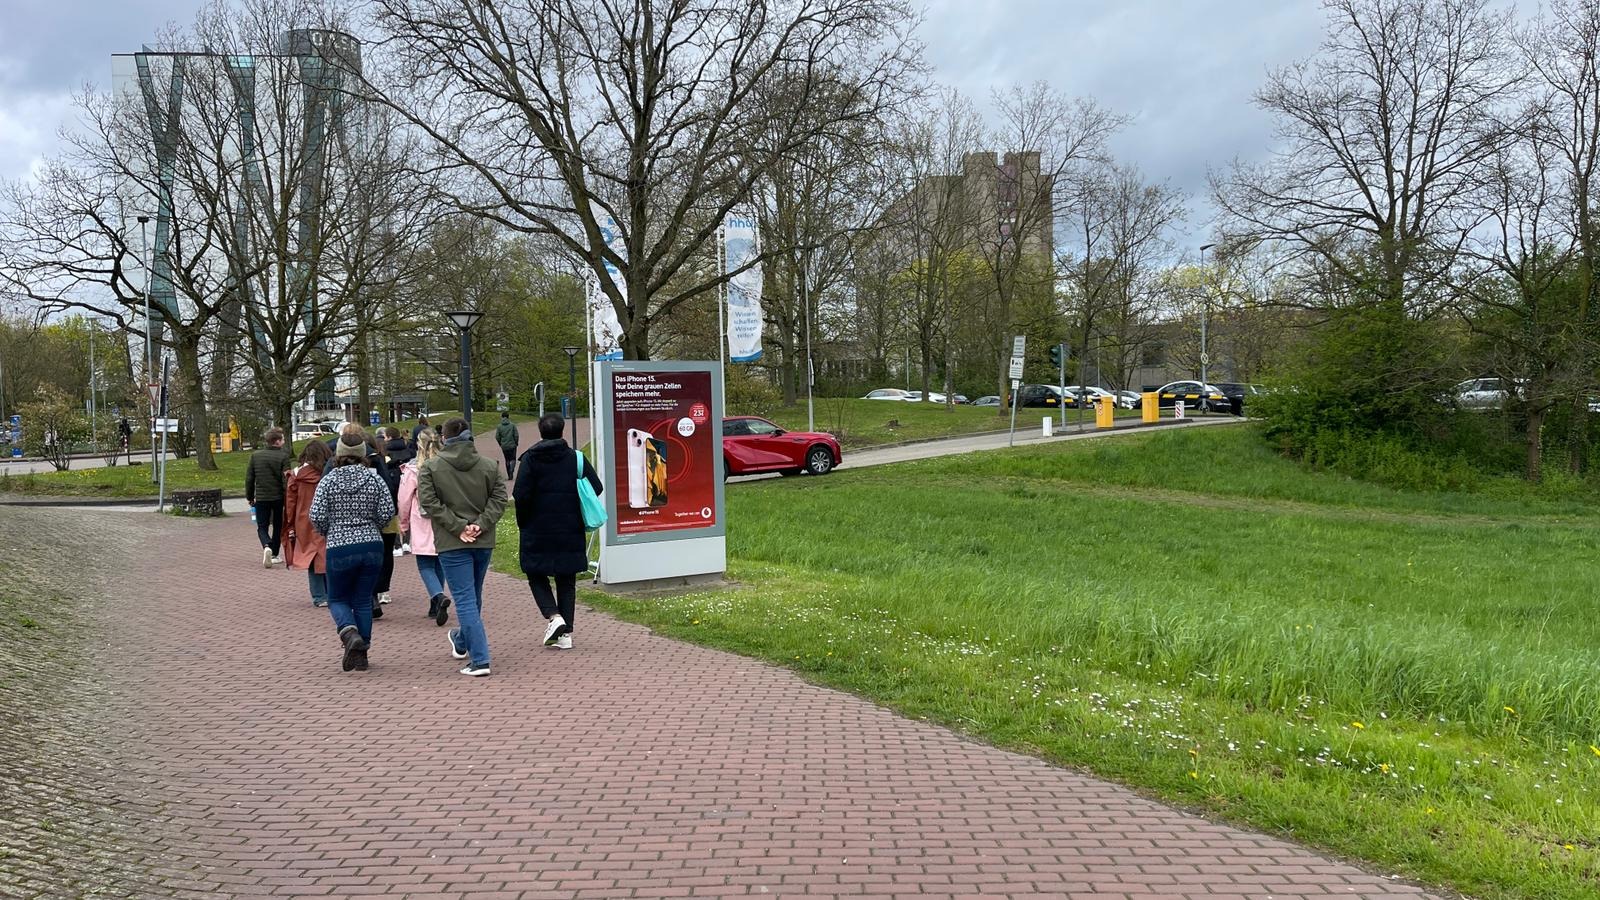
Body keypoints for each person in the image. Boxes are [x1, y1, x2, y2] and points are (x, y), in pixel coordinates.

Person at [418, 417, 506, 677]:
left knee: (466, 599)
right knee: (473, 595)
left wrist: (457, 527)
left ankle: (480, 659)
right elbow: (500, 499)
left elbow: (429, 502)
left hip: (451, 542)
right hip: (482, 539)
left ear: (444, 438)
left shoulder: (431, 468)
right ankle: (461, 640)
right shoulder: (490, 466)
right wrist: (479, 525)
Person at [513, 413, 602, 651]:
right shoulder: (576, 458)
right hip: (569, 526)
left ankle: (554, 616)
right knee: (567, 579)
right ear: (562, 431)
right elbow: (597, 487)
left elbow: (520, 495)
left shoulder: (530, 459)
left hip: (536, 527)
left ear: (541, 431)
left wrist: (523, 522)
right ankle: (566, 634)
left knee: (534, 572)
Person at [309, 433, 396, 672]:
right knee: (363, 599)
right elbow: (388, 510)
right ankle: (363, 650)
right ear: (363, 453)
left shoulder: (328, 481)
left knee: (337, 597)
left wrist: (330, 530)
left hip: (339, 545)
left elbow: (316, 515)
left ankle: (349, 633)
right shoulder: (374, 479)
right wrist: (373, 525)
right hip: (371, 544)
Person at [398, 428, 451, 625]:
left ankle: (437, 596)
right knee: (440, 560)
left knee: (425, 563)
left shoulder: (414, 469)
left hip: (421, 519)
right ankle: (435, 602)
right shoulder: (447, 465)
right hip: (444, 518)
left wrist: (402, 523)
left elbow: (404, 499)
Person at [283, 440, 332, 607]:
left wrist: (289, 524)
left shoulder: (296, 476)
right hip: (328, 517)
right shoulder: (329, 473)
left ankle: (319, 596)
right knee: (328, 553)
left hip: (304, 519)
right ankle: (331, 591)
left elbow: (290, 503)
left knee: (311, 555)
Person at [245, 427, 292, 567]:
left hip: (261, 497)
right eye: (282, 439)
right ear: (277, 442)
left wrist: (250, 496)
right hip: (278, 497)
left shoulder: (255, 456)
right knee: (278, 525)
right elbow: (286, 480)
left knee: (262, 525)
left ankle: (266, 545)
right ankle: (275, 554)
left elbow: (249, 478)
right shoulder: (284, 456)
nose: (284, 441)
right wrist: (288, 497)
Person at [495, 411, 519, 481]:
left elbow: (497, 436)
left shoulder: (499, 426)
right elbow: (516, 435)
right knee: (513, 458)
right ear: (508, 417)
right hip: (512, 445)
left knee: (507, 459)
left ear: (502, 417)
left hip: (504, 446)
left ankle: (509, 474)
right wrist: (516, 442)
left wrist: (500, 443)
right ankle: (512, 470)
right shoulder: (512, 425)